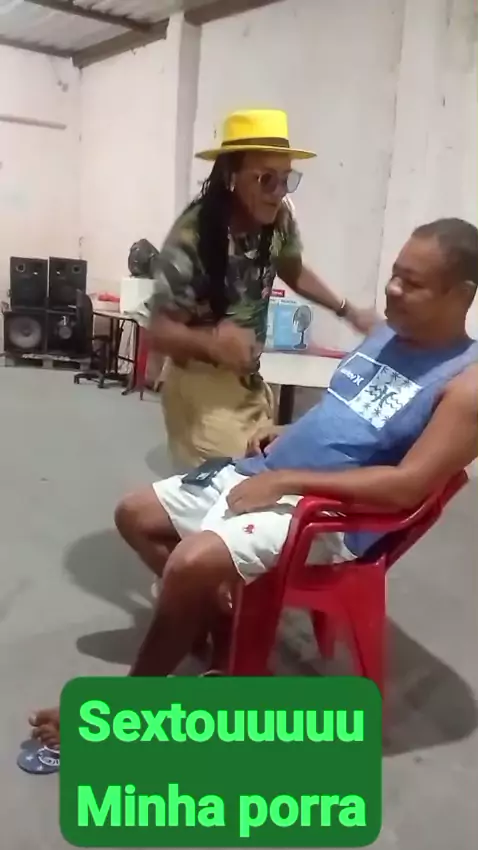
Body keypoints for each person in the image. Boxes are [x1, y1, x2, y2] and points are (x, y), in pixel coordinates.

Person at [26, 218, 478, 756]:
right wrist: (288, 432)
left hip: (328, 516)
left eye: (413, 283)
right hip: (268, 473)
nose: (393, 290)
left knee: (191, 563)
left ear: (462, 294)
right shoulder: (386, 336)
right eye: (395, 275)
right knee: (135, 515)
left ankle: (126, 711)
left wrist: (289, 478)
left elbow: (408, 486)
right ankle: (228, 632)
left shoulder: (465, 384)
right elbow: (348, 417)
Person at [138, 108, 377, 471]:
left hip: (248, 381)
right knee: (234, 487)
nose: (278, 193)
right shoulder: (193, 236)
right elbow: (159, 329)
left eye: (286, 179)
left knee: (261, 477)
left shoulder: (278, 219)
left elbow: (292, 269)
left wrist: (347, 309)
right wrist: (212, 343)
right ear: (231, 177)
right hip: (203, 387)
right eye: (266, 179)